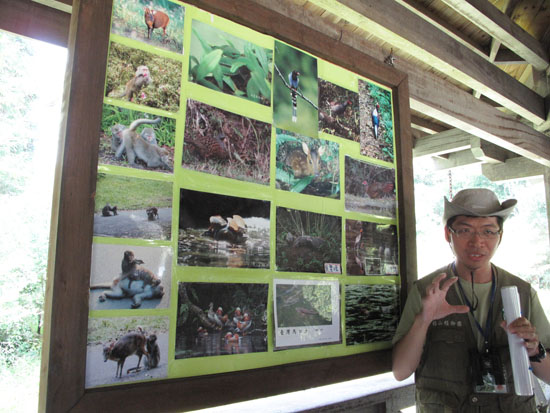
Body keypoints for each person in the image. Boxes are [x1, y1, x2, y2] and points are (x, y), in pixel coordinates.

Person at [392, 188, 550, 412]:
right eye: (465, 231)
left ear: (500, 236)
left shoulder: (522, 293)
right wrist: (424, 319)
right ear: (448, 234)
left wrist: (535, 351)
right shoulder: (427, 291)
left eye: (488, 232)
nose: (477, 242)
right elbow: (400, 371)